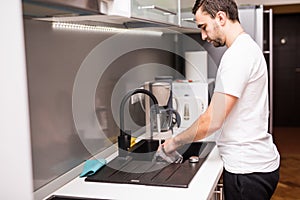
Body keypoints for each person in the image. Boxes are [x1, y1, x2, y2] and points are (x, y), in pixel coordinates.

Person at [158, 0, 280, 199]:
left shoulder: (238, 55)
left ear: (221, 17)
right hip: (254, 164)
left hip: (247, 171)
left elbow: (212, 121)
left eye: (203, 27)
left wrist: (173, 143)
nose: (204, 36)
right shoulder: (246, 48)